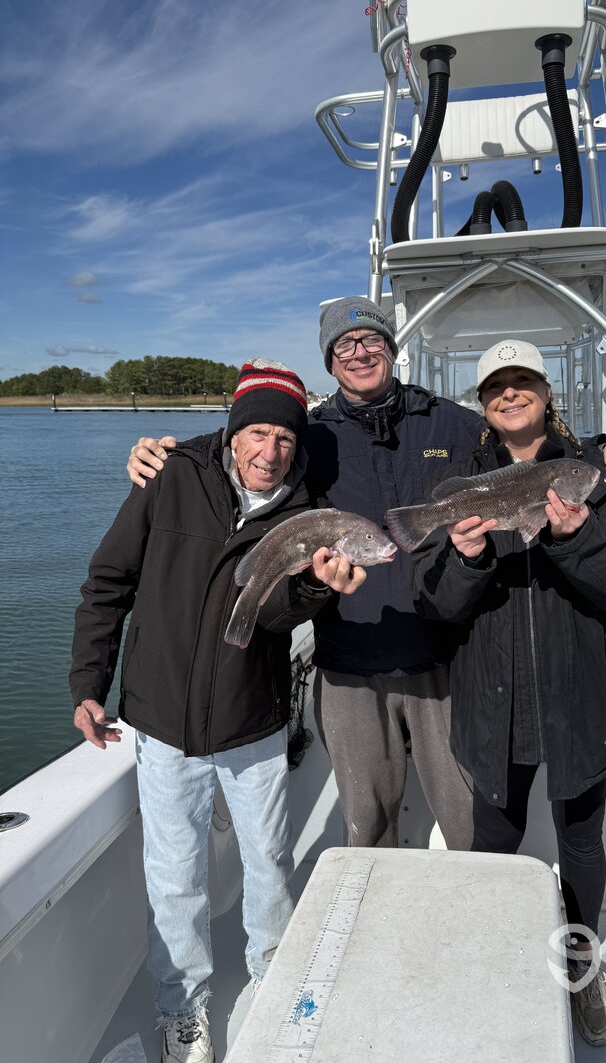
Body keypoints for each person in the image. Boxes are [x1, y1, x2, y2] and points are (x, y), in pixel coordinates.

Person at [127, 300, 606, 852]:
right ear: (329, 360)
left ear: (392, 350)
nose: (360, 353)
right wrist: (166, 451)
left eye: (372, 341)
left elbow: (524, 448)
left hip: (443, 665)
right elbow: (251, 444)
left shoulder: (452, 421)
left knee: (468, 827)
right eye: (344, 346)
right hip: (349, 664)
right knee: (368, 828)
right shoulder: (311, 435)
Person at [71, 359, 367, 1063]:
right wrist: (88, 682)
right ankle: (184, 1014)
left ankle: (273, 985)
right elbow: (108, 582)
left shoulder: (306, 514)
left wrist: (321, 592)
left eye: (287, 440)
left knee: (269, 861)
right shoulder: (168, 477)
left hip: (252, 722)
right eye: (258, 432)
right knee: (175, 878)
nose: (271, 452)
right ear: (233, 433)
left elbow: (276, 621)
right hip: (160, 722)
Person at [410, 339, 606, 1047]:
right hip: (497, 699)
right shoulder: (465, 483)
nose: (511, 393)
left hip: (584, 692)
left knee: (581, 838)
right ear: (484, 404)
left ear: (547, 394)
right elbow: (435, 605)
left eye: (524, 381)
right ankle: (497, 956)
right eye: (497, 386)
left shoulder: (599, 476)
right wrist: (464, 557)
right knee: (496, 836)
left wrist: (576, 538)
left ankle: (581, 964)